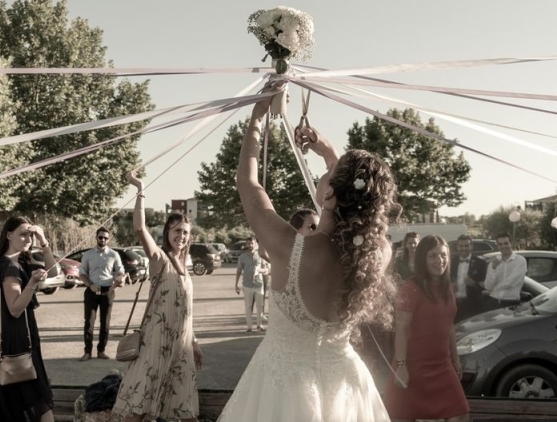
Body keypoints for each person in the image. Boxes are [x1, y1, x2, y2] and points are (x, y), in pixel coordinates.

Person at [218, 94, 399, 422]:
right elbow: (356, 198)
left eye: (330, 173)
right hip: (346, 384)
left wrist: (258, 116)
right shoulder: (377, 253)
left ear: (329, 193)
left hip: (284, 388)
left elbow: (247, 184)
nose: (325, 172)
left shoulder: (292, 248)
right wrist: (329, 151)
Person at [112, 171, 201, 422]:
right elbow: (140, 227)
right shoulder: (159, 259)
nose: (181, 236)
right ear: (166, 233)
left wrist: (195, 342)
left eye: (185, 232)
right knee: (140, 406)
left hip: (180, 346)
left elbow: (187, 310)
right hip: (156, 342)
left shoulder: (187, 267)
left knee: (185, 407)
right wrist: (140, 189)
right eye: (176, 231)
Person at [0, 216, 59, 422]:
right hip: (16, 338)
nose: (28, 238)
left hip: (23, 333)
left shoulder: (21, 260)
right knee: (34, 396)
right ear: (9, 235)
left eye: (30, 234)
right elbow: (15, 309)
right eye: (23, 234)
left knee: (19, 398)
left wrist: (43, 239)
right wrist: (32, 283)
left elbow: (54, 271)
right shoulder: (9, 266)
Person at [383, 235, 469, 422]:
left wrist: (456, 360)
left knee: (460, 414)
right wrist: (402, 366)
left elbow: (449, 326)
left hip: (442, 366)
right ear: (422, 258)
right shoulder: (410, 288)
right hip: (413, 367)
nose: (440, 261)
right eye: (433, 256)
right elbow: (402, 329)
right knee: (402, 417)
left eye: (443, 255)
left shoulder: (448, 288)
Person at [78, 226, 126, 361]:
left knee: (105, 322)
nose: (103, 240)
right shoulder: (88, 255)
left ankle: (101, 350)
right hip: (92, 290)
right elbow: (82, 274)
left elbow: (120, 271)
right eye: (100, 237)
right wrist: (90, 285)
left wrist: (119, 279)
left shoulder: (113, 254)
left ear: (109, 239)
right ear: (96, 238)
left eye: (106, 238)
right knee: (89, 322)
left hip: (107, 291)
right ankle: (87, 352)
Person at [483, 232, 526, 312]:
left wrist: (495, 289)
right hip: (493, 302)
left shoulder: (520, 261)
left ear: (511, 244)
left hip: (511, 303)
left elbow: (510, 282)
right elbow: (488, 287)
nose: (503, 246)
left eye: (506, 243)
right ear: (498, 245)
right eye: (500, 244)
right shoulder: (493, 264)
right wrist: (493, 269)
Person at [451, 234, 488, 322]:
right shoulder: (451, 262)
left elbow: (487, 285)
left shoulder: (481, 263)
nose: (464, 248)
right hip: (454, 304)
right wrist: (450, 285)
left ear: (471, 246)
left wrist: (474, 284)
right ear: (457, 247)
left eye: (466, 245)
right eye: (461, 246)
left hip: (473, 305)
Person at [235, 237, 268, 332]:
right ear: (246, 245)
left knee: (260, 306)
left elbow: (266, 270)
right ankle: (249, 327)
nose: (250, 245)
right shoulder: (242, 257)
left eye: (252, 243)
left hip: (259, 285)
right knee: (248, 307)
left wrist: (260, 270)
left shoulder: (261, 256)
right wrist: (236, 285)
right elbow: (238, 271)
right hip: (247, 285)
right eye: (248, 243)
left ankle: (259, 325)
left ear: (255, 244)